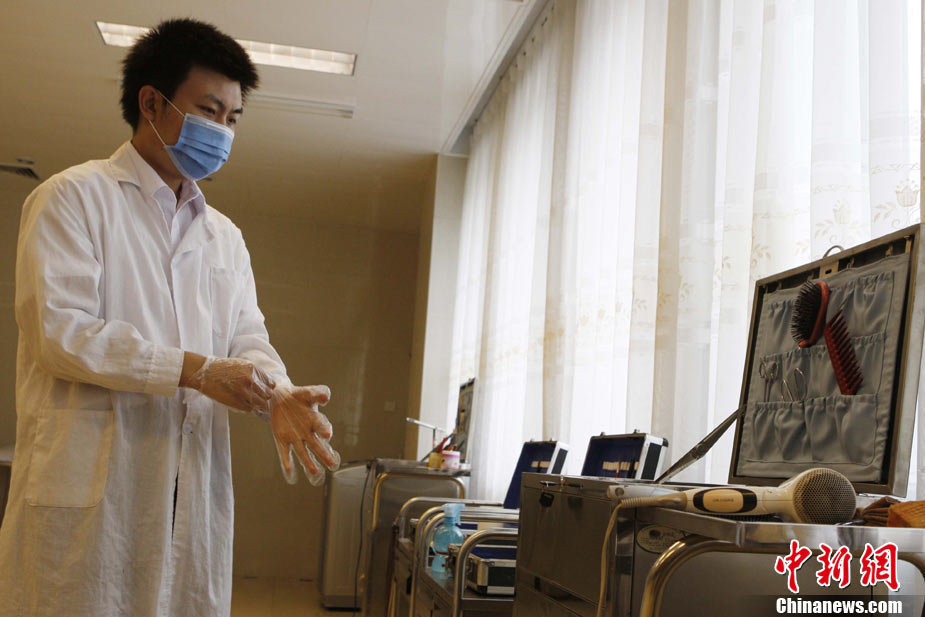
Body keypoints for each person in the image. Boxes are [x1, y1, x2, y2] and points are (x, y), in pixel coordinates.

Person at [0, 18, 339, 617]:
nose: (222, 131)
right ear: (151, 103)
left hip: (189, 490)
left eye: (232, 119)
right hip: (92, 497)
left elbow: (247, 336)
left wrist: (277, 391)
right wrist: (195, 371)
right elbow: (60, 332)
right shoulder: (72, 198)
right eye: (209, 111)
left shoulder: (224, 237)